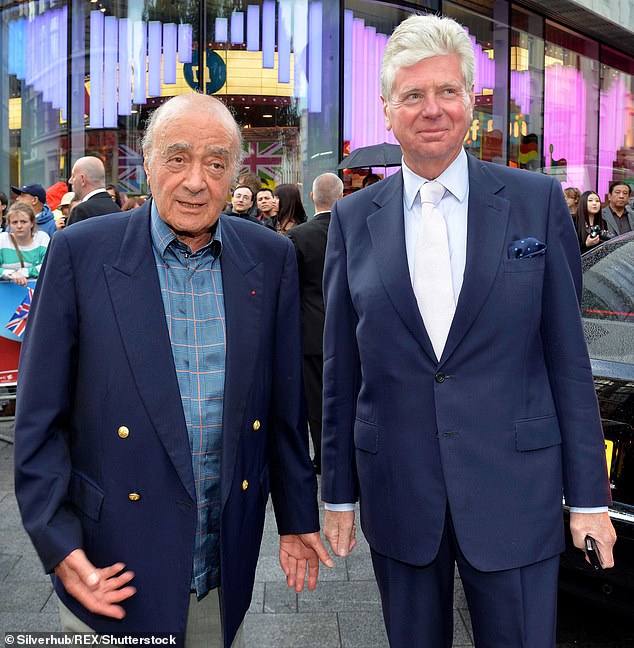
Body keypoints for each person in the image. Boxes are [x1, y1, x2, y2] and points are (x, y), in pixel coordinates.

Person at [321, 13, 615, 648]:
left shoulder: (534, 201)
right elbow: (341, 373)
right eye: (414, 95)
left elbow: (569, 362)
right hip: (400, 493)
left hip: (517, 493)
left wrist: (590, 497)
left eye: (448, 91)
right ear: (387, 109)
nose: (433, 109)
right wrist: (338, 496)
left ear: (472, 104)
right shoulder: (350, 220)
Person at [14, 92, 332, 647]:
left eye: (215, 163)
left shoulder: (270, 256)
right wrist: (57, 544)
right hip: (108, 565)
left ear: (235, 174)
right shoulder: (80, 253)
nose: (194, 181)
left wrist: (298, 517)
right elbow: (39, 421)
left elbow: (282, 411)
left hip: (217, 566)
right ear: (147, 160)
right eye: (178, 157)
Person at [287, 173, 344, 475]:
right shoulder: (353, 231)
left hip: (310, 331)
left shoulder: (300, 236)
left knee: (317, 401)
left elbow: (290, 286)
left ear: (312, 197)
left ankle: (324, 457)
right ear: (341, 197)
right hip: (348, 330)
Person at [0, 202, 50, 286]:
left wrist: (25, 272)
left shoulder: (42, 238)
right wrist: (11, 273)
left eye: (23, 222)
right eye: (14, 222)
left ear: (32, 223)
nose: (19, 226)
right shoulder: (2, 239)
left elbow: (48, 266)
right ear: (9, 224)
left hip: (36, 293)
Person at [66, 156, 121, 226]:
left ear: (83, 179)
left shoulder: (81, 211)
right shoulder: (116, 209)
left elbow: (71, 236)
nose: (70, 181)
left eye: (73, 176)